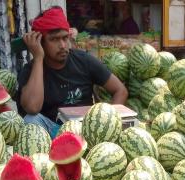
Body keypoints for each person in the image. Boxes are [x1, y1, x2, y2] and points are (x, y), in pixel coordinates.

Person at [17, 7, 128, 138]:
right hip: (52, 131)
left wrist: (108, 123)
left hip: (85, 130)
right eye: (54, 39)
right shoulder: (31, 70)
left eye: (65, 38)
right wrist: (38, 58)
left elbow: (120, 90)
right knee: (31, 120)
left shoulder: (84, 61)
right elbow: (32, 108)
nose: (63, 45)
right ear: (41, 42)